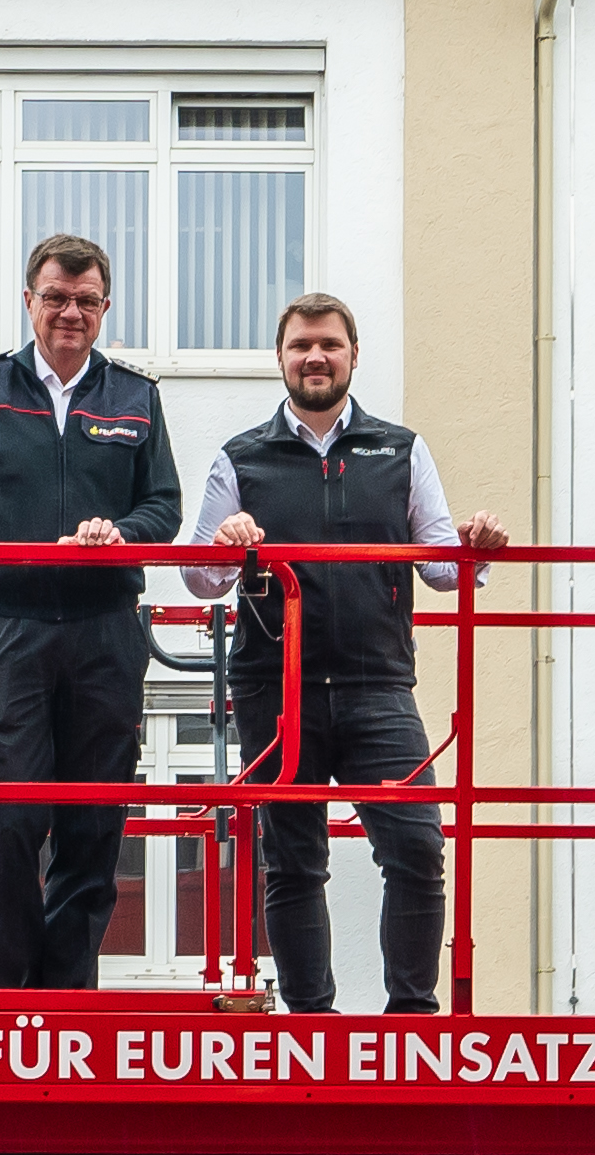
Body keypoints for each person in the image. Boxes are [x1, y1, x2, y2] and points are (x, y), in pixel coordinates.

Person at [181, 290, 501, 1016]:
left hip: (376, 682)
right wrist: (226, 546)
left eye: (328, 344)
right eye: (301, 346)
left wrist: (476, 550)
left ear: (354, 355)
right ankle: (310, 1022)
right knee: (292, 861)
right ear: (281, 359)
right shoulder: (242, 458)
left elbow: (444, 568)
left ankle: (411, 1018)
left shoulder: (400, 449)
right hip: (276, 687)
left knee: (417, 847)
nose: (315, 357)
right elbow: (199, 575)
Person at [0, 232, 182, 988]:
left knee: (94, 825)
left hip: (105, 633)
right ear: (30, 301)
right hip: (10, 629)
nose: (70, 313)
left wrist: (120, 532)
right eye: (55, 297)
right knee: (9, 821)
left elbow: (164, 506)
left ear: (105, 309)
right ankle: (14, 998)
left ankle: (67, 1001)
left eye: (86, 301)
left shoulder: (135, 397)